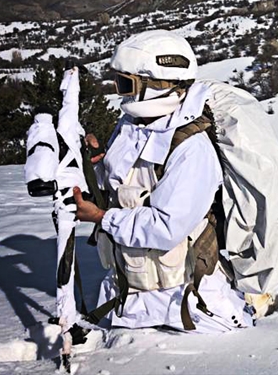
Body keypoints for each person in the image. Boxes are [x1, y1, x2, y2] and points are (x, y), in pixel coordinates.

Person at [72, 30, 251, 333]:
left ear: (156, 85)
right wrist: (98, 165)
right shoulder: (132, 126)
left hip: (185, 307)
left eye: (126, 84)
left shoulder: (190, 147)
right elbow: (124, 186)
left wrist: (102, 218)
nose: (121, 93)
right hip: (126, 298)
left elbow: (165, 228)